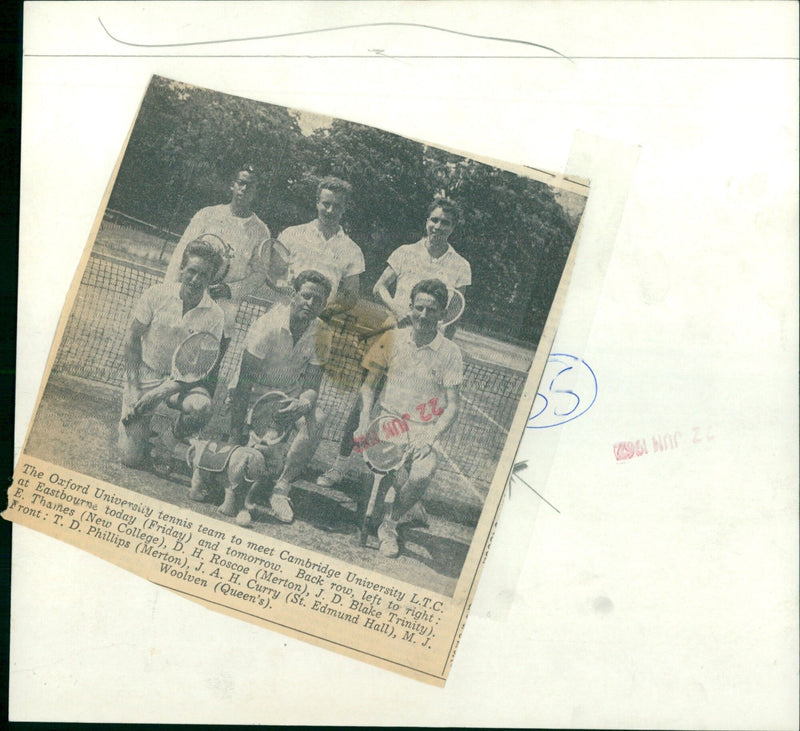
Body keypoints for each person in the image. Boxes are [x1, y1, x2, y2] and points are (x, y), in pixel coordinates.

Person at [318, 196, 471, 491]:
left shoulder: (461, 266)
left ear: (453, 228)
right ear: (427, 221)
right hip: (395, 339)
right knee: (364, 403)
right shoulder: (404, 252)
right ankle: (339, 466)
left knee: (418, 414)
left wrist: (439, 345)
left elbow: (454, 314)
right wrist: (400, 312)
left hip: (427, 349)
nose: (438, 226)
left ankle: (403, 486)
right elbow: (379, 287)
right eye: (434, 220)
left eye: (445, 222)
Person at [356, 279, 463, 558]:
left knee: (424, 471)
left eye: (432, 310)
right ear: (411, 307)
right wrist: (364, 421)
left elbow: (452, 406)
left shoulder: (451, 353)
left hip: (421, 429)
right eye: (419, 308)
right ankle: (392, 500)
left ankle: (390, 524)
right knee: (366, 508)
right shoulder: (391, 338)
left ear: (442, 314)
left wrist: (430, 436)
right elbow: (368, 386)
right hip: (386, 422)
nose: (424, 316)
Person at [226, 270, 333, 524]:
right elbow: (243, 384)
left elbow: (312, 385)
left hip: (289, 397)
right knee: (252, 462)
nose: (310, 303)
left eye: (317, 300)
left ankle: (281, 488)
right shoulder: (268, 325)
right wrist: (235, 435)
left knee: (317, 417)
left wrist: (303, 403)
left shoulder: (323, 333)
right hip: (254, 395)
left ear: (324, 305)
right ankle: (240, 455)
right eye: (306, 296)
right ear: (294, 295)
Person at [118, 240, 225, 468]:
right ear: (182, 269)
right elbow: (131, 339)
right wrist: (134, 389)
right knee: (130, 459)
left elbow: (198, 370)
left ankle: (167, 442)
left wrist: (158, 394)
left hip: (181, 384)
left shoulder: (216, 315)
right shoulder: (156, 294)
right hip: (145, 375)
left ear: (211, 279)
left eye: (203, 275)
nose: (195, 280)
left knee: (201, 407)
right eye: (192, 271)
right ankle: (142, 438)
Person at [164, 164, 271, 383]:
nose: (244, 189)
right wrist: (170, 291)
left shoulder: (261, 231)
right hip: (187, 302)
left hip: (223, 311)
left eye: (250, 186)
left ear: (256, 192)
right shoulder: (207, 215)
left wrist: (230, 290)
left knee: (202, 376)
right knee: (164, 365)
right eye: (241, 183)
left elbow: (260, 274)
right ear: (232, 185)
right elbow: (181, 253)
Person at [278, 176, 364, 309]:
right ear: (317, 202)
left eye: (336, 206)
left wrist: (329, 313)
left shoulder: (353, 250)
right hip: (284, 312)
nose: (330, 210)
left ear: (344, 208)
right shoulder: (291, 234)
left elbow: (350, 297)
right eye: (326, 204)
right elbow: (274, 274)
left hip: (319, 322)